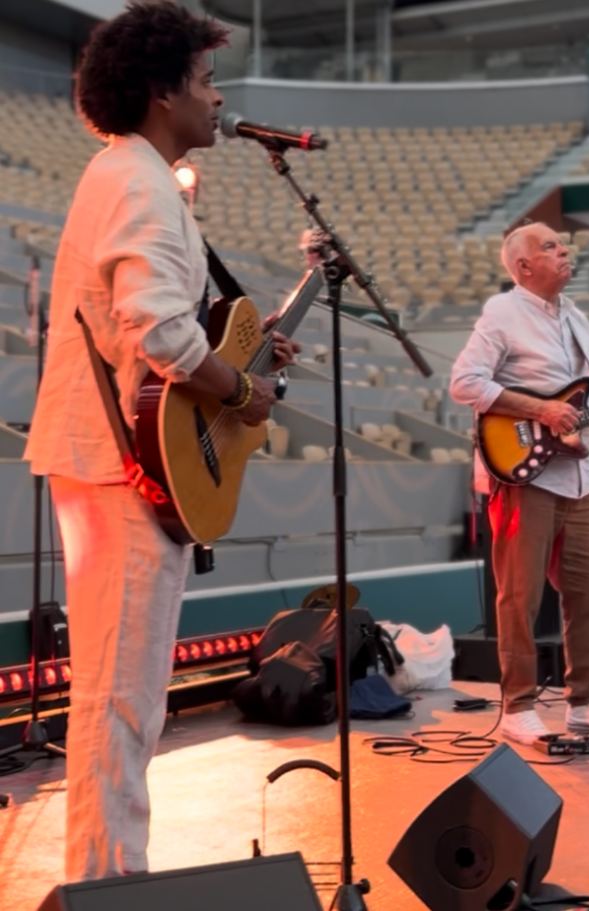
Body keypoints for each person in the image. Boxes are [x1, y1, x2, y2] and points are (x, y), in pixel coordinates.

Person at [23, 3, 299, 881]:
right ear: (161, 90)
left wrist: (245, 351)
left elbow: (165, 327)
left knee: (123, 694)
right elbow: (162, 336)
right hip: (118, 470)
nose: (218, 98)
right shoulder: (139, 182)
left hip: (115, 464)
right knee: (120, 697)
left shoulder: (134, 175)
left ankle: (108, 877)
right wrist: (244, 389)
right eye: (206, 81)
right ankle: (108, 886)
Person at [450, 223, 589, 745]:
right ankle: (517, 707)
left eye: (562, 244)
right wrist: (541, 410)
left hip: (576, 476)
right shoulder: (502, 313)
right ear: (523, 266)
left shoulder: (575, 317)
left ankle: (585, 703)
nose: (563, 250)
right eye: (550, 246)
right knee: (520, 596)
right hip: (522, 474)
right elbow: (465, 383)